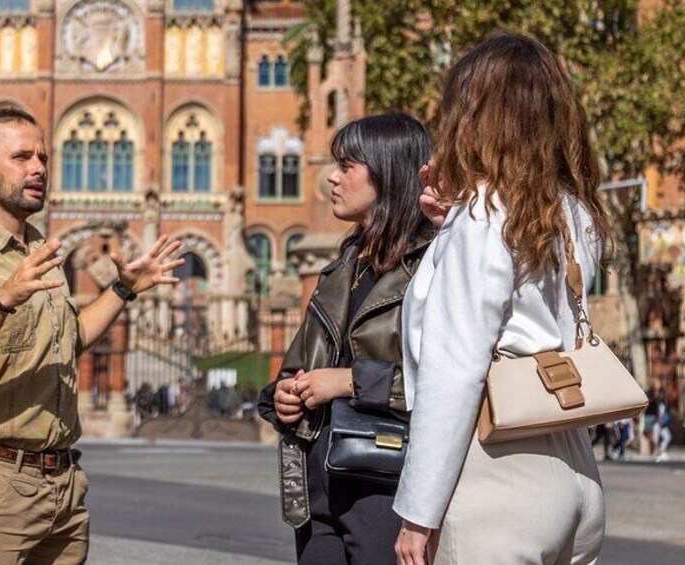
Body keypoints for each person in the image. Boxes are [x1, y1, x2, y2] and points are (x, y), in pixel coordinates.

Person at [0, 108, 184, 565]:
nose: (38, 167)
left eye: (42, 156)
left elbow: (69, 338)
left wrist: (123, 290)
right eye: (20, 157)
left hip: (63, 488)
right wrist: (2, 299)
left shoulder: (41, 253)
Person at [394, 33, 613, 564]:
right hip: (577, 475)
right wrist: (452, 227)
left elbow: (456, 369)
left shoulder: (485, 213)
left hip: (498, 472)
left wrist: (417, 516)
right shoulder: (572, 211)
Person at [258, 112, 435, 564]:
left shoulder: (434, 267)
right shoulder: (342, 267)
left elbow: (446, 378)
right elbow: (298, 367)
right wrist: (282, 395)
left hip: (384, 485)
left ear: (387, 173)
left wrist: (350, 382)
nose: (330, 179)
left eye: (347, 166)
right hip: (320, 486)